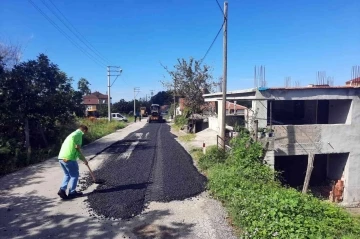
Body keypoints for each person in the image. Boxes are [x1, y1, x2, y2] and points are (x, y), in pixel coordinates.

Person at [57, 125, 89, 200]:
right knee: (74, 175)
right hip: (69, 158)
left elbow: (75, 148)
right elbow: (77, 150)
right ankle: (72, 192)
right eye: (85, 132)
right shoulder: (79, 135)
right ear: (84, 130)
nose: (85, 134)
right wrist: (84, 160)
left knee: (67, 174)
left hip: (61, 157)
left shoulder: (72, 134)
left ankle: (62, 190)